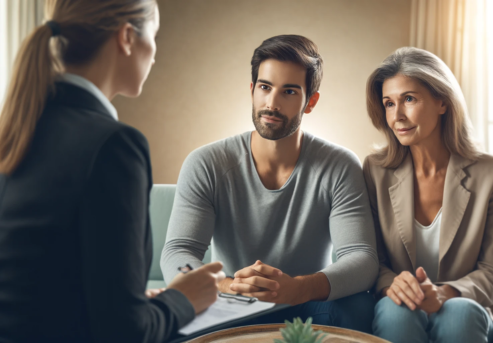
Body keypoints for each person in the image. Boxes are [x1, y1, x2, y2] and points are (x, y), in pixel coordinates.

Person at [0, 1, 224, 342]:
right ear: (127, 37)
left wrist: (142, 306)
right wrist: (184, 299)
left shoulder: (17, 129)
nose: (154, 53)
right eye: (155, 35)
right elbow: (125, 333)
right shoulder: (114, 145)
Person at [160, 35, 378, 333]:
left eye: (289, 91)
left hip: (305, 306)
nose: (272, 103)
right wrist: (230, 285)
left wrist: (299, 288)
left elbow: (362, 259)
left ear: (310, 101)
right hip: (229, 301)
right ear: (252, 91)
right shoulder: (206, 163)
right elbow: (178, 252)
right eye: (265, 87)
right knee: (169, 317)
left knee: (360, 307)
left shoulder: (339, 165)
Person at [363, 47, 493, 343]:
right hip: (399, 300)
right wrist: (394, 285)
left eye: (409, 99)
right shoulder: (374, 170)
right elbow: (370, 257)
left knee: (459, 315)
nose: (397, 116)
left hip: (465, 301)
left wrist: (444, 293)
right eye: (389, 104)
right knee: (397, 314)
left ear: (442, 101)